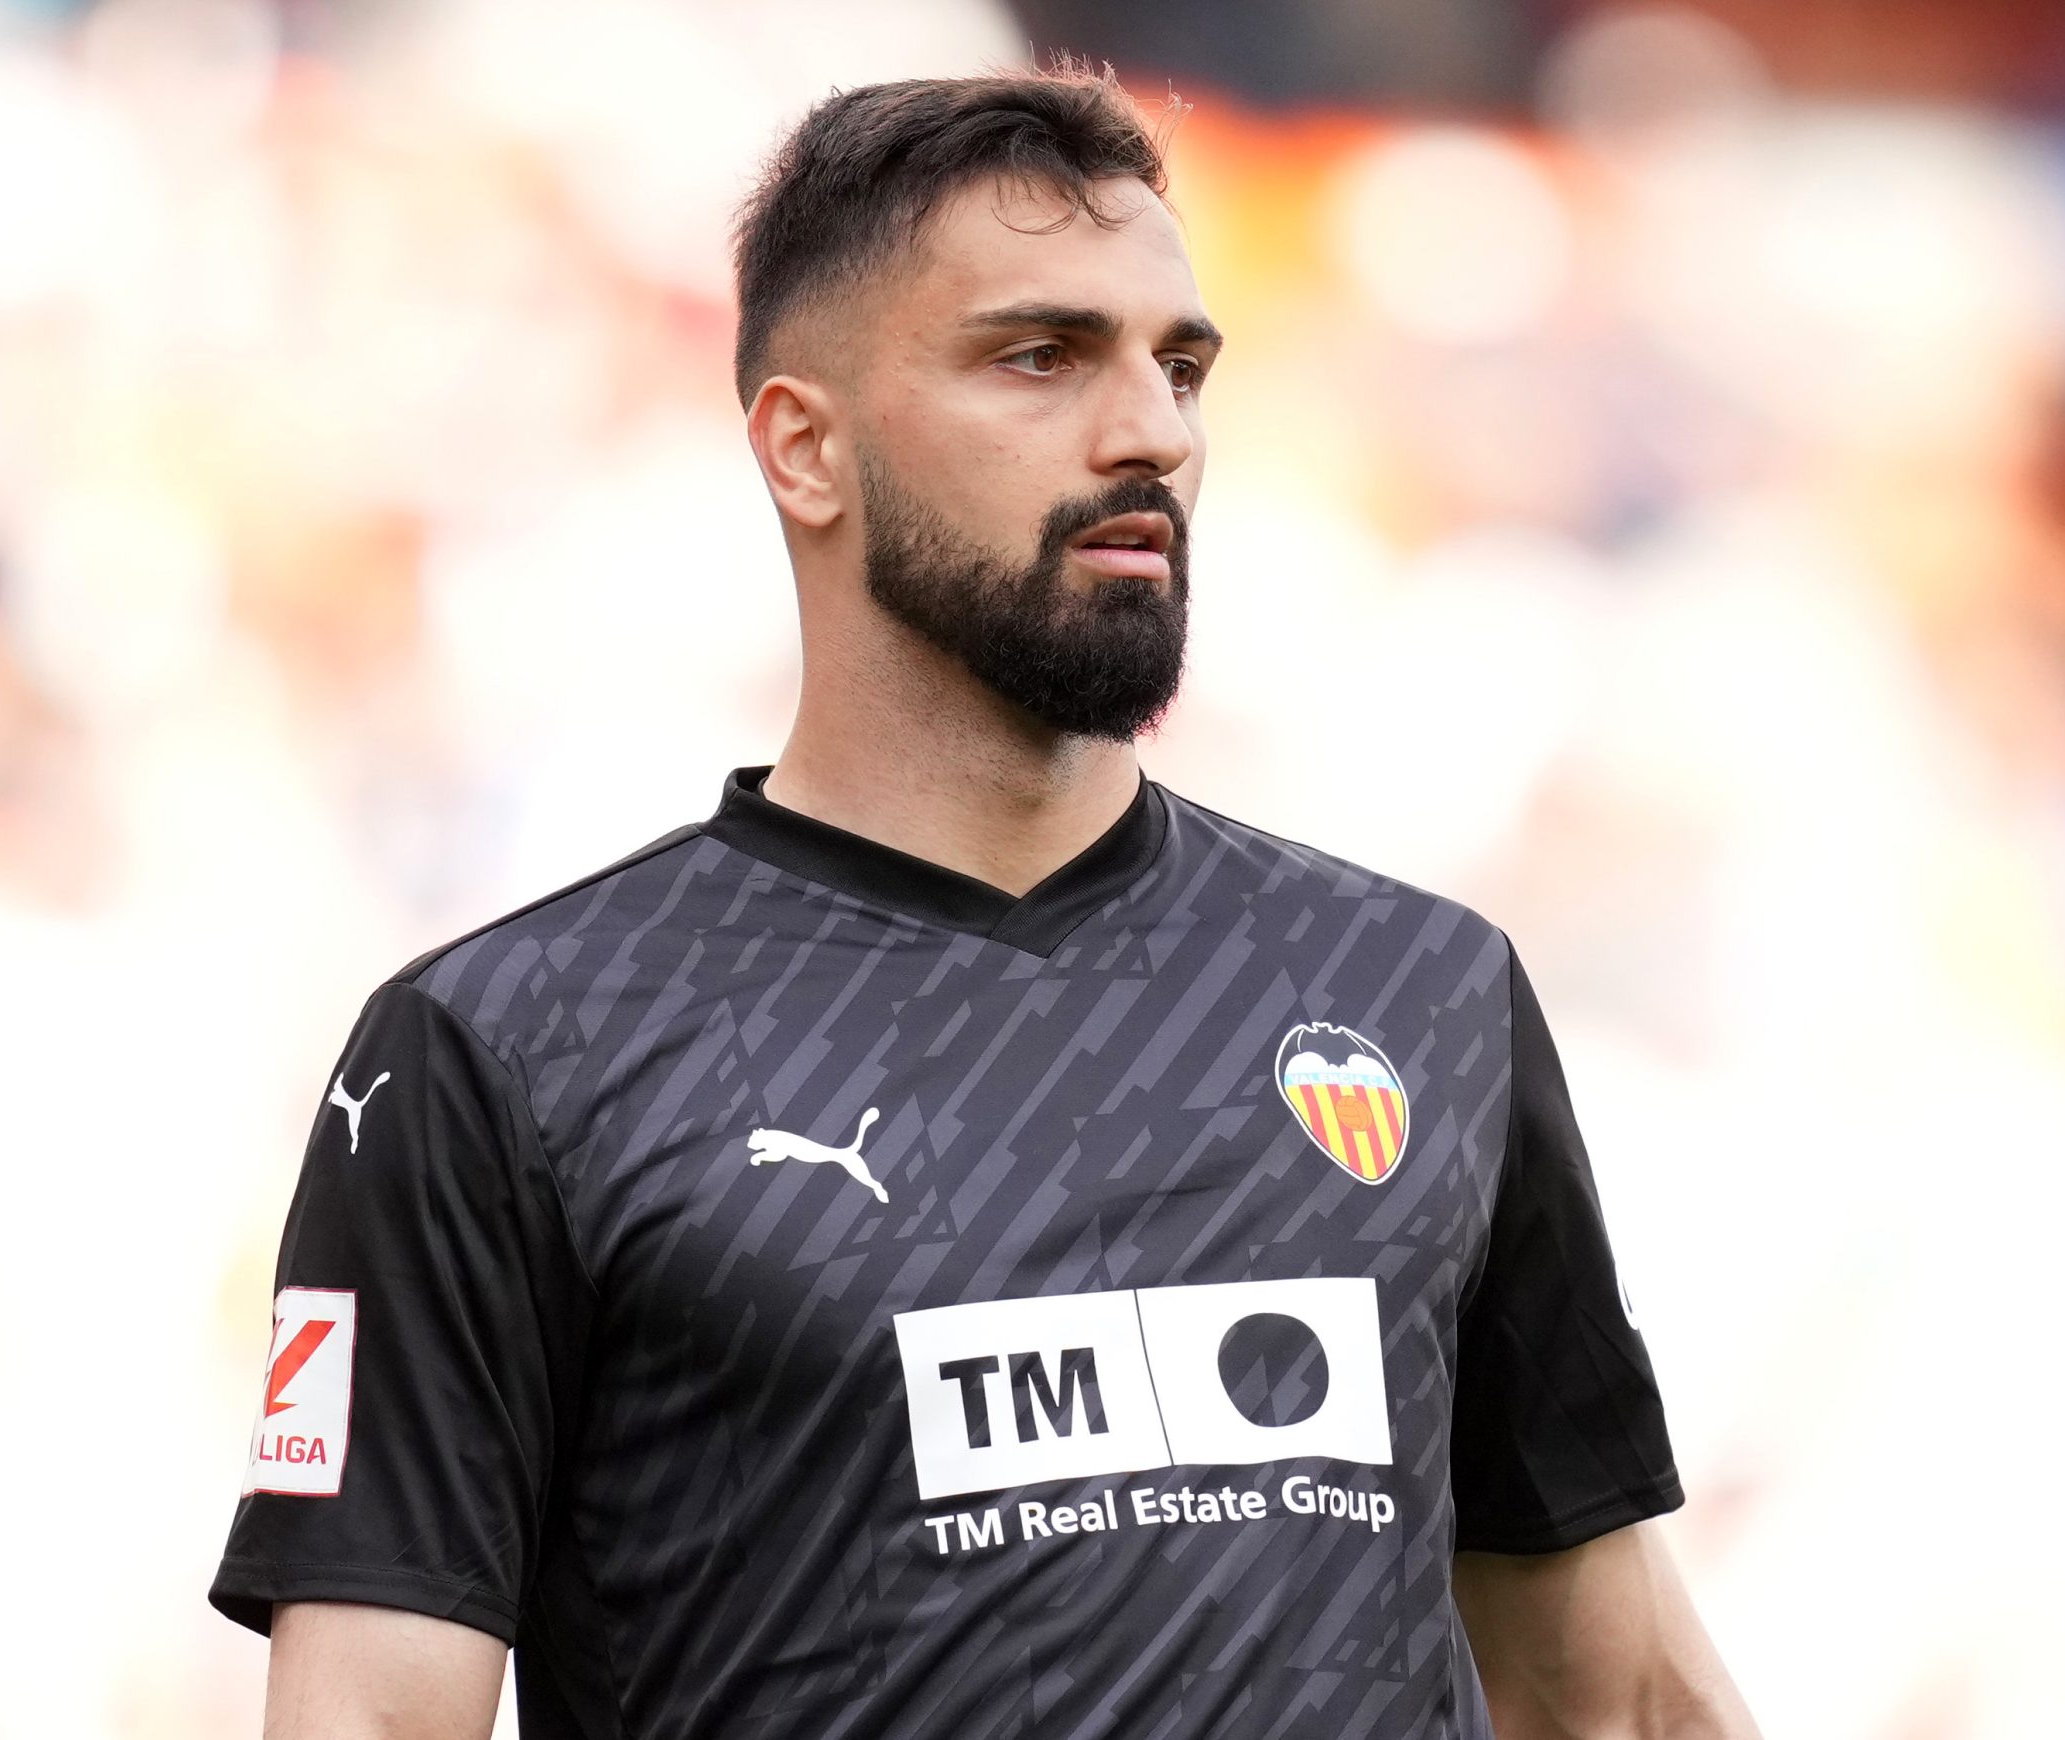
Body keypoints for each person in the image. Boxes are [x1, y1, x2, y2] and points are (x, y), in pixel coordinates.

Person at [211, 64, 1762, 1740]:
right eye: (1041, 357)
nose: (1150, 431)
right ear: (806, 449)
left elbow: (1619, 1699)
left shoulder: (1419, 992)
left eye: (1178, 365)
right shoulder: (506, 1056)